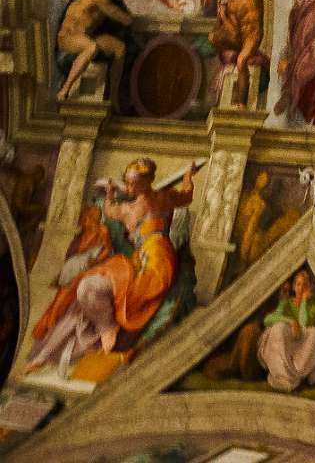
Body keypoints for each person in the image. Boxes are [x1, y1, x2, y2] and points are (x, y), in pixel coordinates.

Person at [28, 158, 197, 376]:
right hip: (137, 260)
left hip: (158, 260)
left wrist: (188, 176)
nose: (129, 187)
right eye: (127, 182)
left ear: (148, 181)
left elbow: (186, 196)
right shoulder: (127, 209)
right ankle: (53, 353)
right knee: (82, 292)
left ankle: (107, 330)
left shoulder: (163, 198)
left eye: (134, 182)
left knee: (109, 292)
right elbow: (109, 210)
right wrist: (109, 193)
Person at [55, 0, 132, 103]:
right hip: (67, 38)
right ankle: (64, 90)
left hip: (85, 37)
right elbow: (126, 20)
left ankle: (113, 97)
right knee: (91, 47)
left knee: (120, 48)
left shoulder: (103, 1)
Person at [258, 270, 315, 392]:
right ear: (294, 287)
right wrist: (290, 321)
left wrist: (304, 302)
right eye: (298, 284)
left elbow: (304, 323)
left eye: (305, 285)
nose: (301, 288)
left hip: (302, 345)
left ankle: (297, 375)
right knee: (279, 327)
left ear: (309, 288)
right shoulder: (287, 302)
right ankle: (282, 374)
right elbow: (267, 320)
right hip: (287, 344)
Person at [209, 0, 265, 106]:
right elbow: (232, 31)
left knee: (241, 61)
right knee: (212, 37)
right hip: (240, 38)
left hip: (252, 36)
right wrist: (223, 15)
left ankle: (241, 103)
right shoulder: (231, 5)